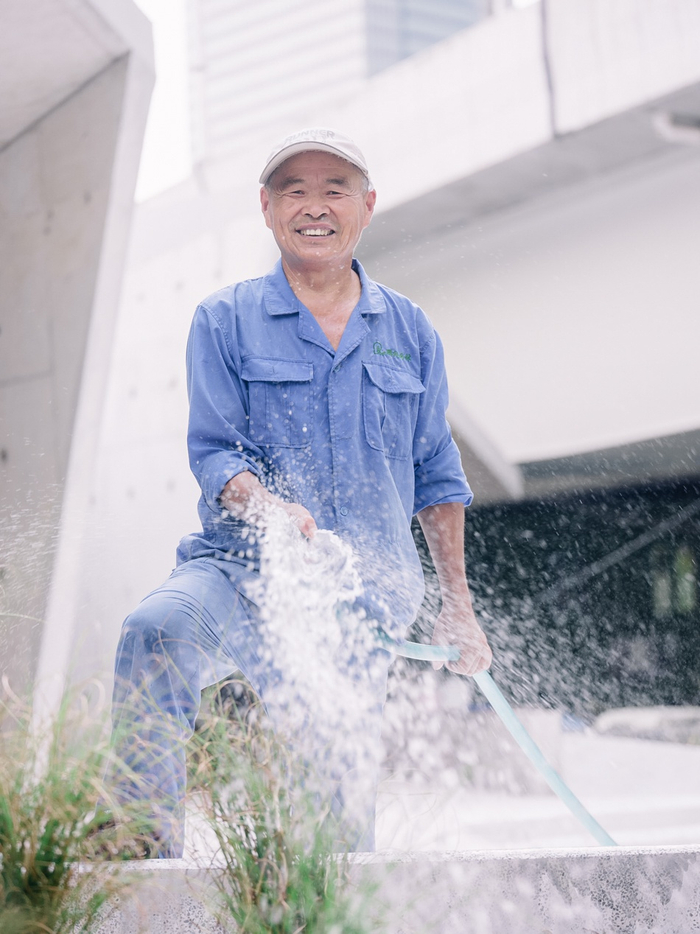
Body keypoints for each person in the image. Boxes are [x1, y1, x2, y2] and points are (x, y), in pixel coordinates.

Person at [108, 128, 493, 858]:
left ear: (367, 206)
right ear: (267, 208)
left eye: (334, 190)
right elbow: (215, 451)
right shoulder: (224, 319)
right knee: (157, 629)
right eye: (295, 191)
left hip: (357, 602)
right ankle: (140, 860)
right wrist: (267, 508)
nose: (314, 207)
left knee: (331, 842)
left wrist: (459, 607)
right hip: (241, 571)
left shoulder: (410, 331)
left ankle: (322, 885)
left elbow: (437, 473)